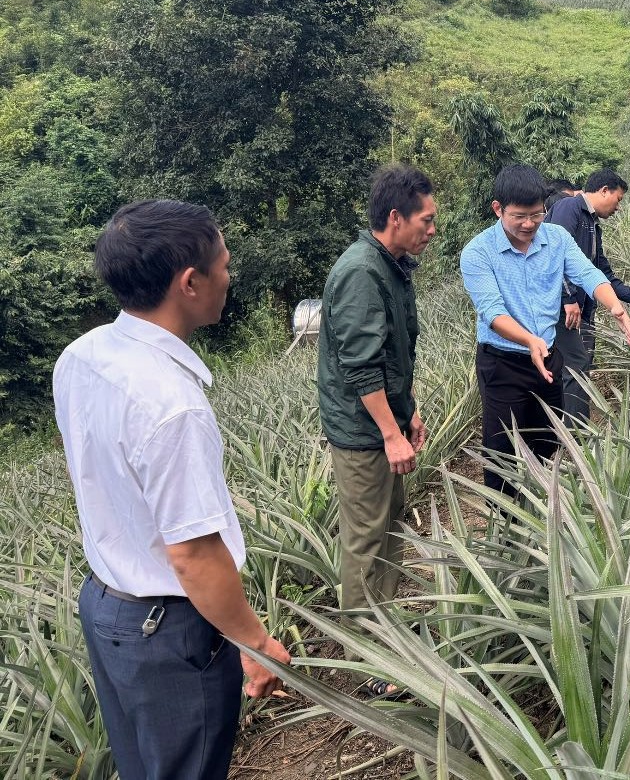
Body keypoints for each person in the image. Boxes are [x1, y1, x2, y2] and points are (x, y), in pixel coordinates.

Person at [54, 200, 292, 780]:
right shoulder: (172, 404)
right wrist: (256, 644)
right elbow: (193, 555)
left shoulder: (80, 357)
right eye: (224, 265)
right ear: (190, 283)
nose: (229, 277)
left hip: (108, 605)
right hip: (170, 633)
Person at [316, 165, 435, 674]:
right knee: (366, 539)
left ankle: (385, 633)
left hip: (383, 424)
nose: (433, 230)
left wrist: (409, 414)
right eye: (426, 220)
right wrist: (390, 433)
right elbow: (361, 366)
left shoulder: (391, 264)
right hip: (363, 432)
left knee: (388, 528)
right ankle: (367, 662)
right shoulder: (361, 273)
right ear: (395, 217)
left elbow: (393, 355)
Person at [460, 164, 630, 494]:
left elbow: (588, 273)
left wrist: (615, 305)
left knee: (545, 438)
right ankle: (504, 518)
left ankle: (540, 504)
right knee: (502, 449)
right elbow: (492, 312)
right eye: (519, 216)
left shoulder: (556, 238)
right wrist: (529, 340)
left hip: (548, 358)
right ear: (498, 209)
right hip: (503, 364)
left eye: (536, 214)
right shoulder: (478, 252)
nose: (529, 224)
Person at [548, 167, 630, 424]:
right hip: (558, 308)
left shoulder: (593, 225)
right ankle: (575, 434)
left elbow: (603, 275)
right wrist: (568, 298)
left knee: (577, 367)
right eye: (618, 199)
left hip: (580, 309)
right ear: (604, 190)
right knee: (576, 365)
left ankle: (569, 428)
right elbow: (553, 254)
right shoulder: (569, 208)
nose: (618, 207)